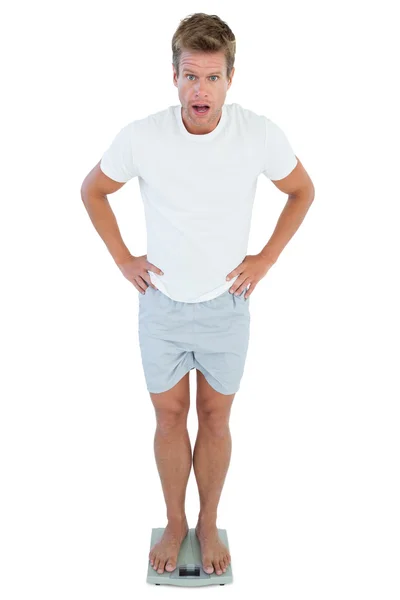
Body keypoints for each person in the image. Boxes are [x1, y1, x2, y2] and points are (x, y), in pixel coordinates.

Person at [80, 12, 315, 578]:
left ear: (230, 79)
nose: (200, 90)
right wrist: (122, 258)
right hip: (160, 306)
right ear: (174, 76)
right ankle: (176, 520)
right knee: (168, 419)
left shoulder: (258, 133)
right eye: (191, 76)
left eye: (212, 78)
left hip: (224, 307)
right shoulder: (142, 135)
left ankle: (208, 522)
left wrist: (266, 258)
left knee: (214, 416)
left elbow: (302, 191)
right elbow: (93, 191)